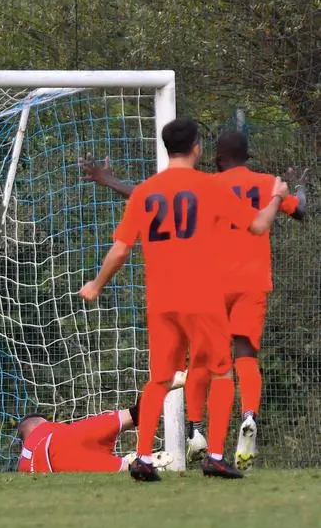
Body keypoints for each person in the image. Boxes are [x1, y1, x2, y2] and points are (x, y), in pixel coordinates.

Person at [81, 133, 306, 471]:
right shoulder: (212, 186)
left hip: (162, 296)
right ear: (197, 149)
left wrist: (96, 284)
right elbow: (271, 220)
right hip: (212, 291)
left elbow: (128, 232)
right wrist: (281, 195)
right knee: (229, 366)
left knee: (168, 374)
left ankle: (161, 447)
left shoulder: (151, 190)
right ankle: (223, 445)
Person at [17, 399, 173, 474]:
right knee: (135, 413)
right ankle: (166, 381)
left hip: (57, 461)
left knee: (126, 468)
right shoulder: (46, 428)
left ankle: (132, 462)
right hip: (70, 434)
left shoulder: (24, 463)